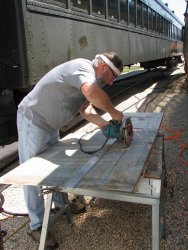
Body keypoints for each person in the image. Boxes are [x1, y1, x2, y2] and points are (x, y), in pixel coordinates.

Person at [17, 52, 124, 248]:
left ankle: (62, 205)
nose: (111, 83)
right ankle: (37, 225)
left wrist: (103, 125)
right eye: (113, 76)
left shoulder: (91, 80)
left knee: (55, 167)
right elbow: (91, 93)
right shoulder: (83, 67)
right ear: (104, 67)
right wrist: (114, 112)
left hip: (50, 125)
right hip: (33, 119)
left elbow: (85, 109)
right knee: (31, 174)